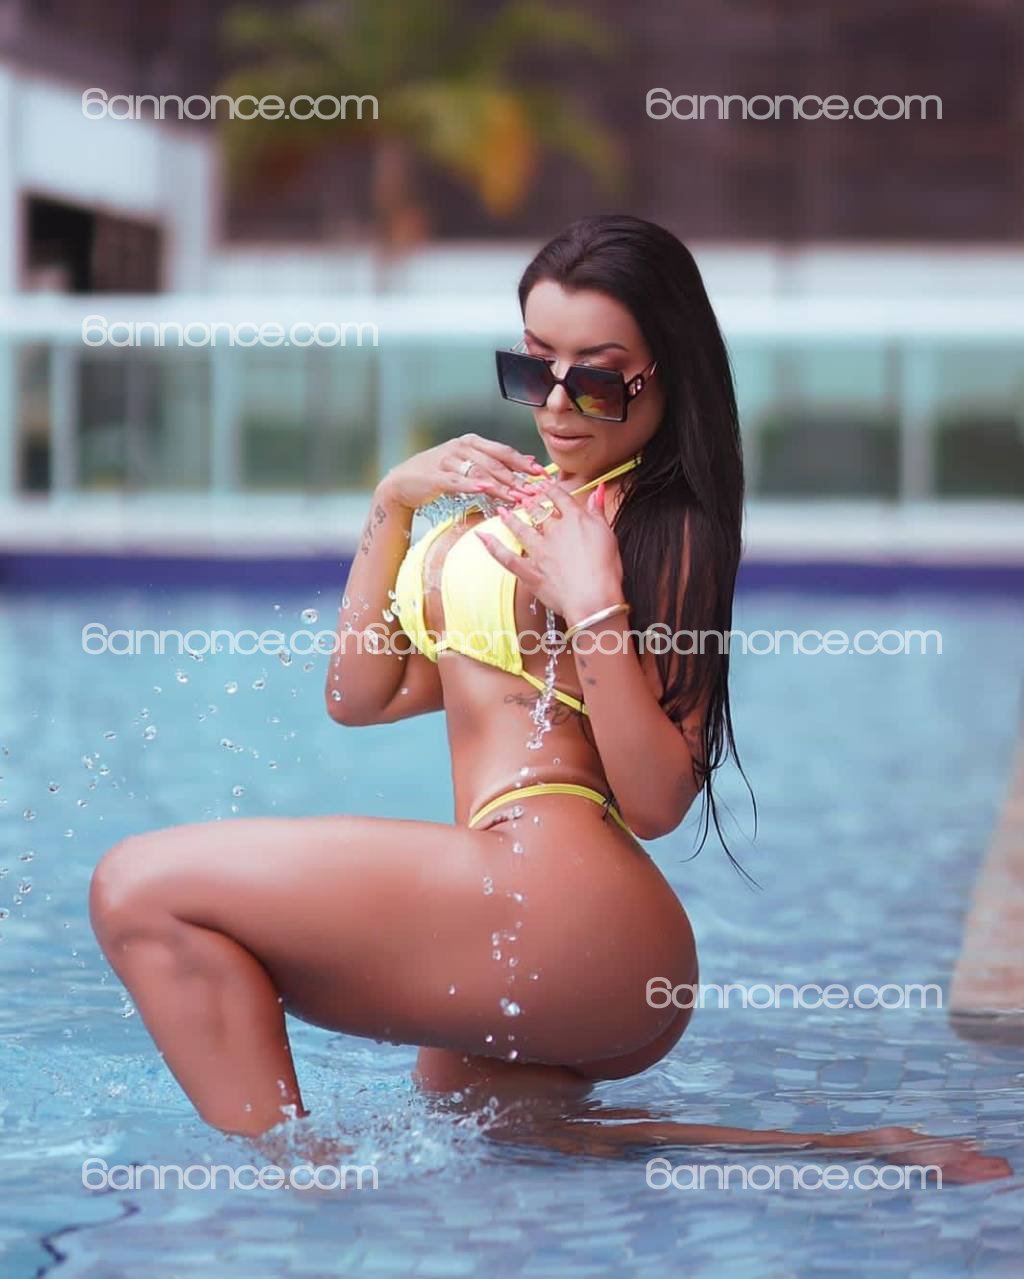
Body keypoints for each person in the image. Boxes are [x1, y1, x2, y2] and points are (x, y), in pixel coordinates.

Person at [87, 215, 1009, 1183]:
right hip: (542, 926)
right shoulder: (527, 502)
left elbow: (656, 800)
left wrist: (594, 604)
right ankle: (859, 1153)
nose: (560, 404)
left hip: (566, 905)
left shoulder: (664, 525)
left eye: (599, 379)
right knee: (500, 1134)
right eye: (534, 368)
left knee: (141, 888)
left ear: (667, 375)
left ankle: (290, 1184)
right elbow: (361, 694)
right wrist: (393, 503)